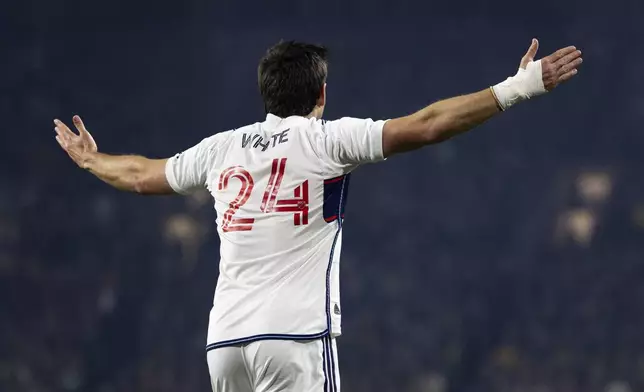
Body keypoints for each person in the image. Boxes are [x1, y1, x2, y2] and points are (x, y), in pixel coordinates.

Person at [54, 39, 582, 392]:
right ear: (322, 94)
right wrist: (517, 88)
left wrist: (90, 159)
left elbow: (144, 175)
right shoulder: (328, 140)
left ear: (265, 93)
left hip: (224, 345)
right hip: (296, 338)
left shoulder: (220, 150)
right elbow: (425, 125)